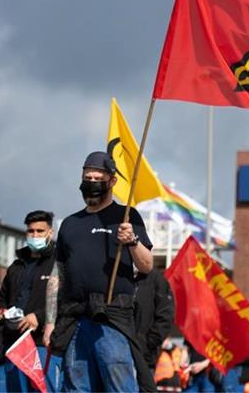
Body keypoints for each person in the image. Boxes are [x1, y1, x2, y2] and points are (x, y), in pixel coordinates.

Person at [43, 150, 156, 392]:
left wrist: (133, 241)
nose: (91, 183)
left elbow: (146, 265)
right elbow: (57, 275)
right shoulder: (70, 224)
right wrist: (50, 322)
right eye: (87, 178)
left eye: (98, 178)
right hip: (75, 320)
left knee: (119, 386)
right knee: (76, 386)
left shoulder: (126, 216)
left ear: (112, 181)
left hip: (112, 319)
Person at [0, 209, 61, 392]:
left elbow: (65, 299)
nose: (35, 235)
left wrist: (39, 317)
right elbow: (1, 297)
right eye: (31, 231)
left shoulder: (59, 263)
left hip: (42, 343)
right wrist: (1, 311)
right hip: (14, 344)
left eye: (40, 231)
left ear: (50, 233)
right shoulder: (17, 265)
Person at [133, 266, 174, 377]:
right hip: (118, 358)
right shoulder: (119, 277)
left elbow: (165, 318)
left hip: (144, 359)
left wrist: (146, 345)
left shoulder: (157, 280)